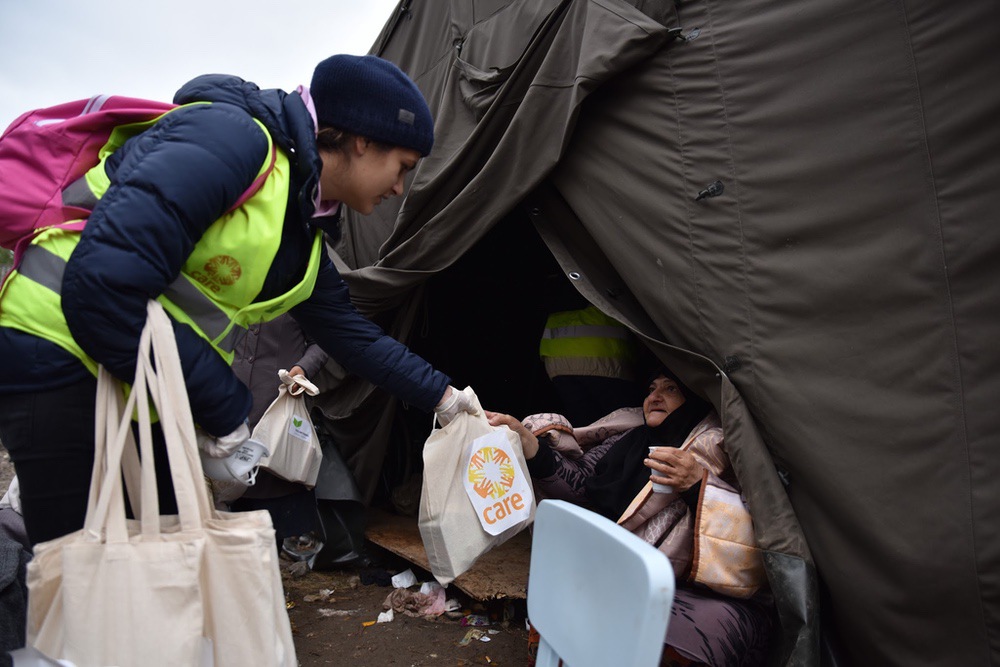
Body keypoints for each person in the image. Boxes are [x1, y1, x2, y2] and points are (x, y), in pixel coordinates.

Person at [0, 54, 474, 548]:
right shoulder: (231, 139)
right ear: (363, 141)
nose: (399, 187)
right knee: (76, 567)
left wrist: (446, 399)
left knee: (157, 561)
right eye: (402, 167)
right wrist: (223, 407)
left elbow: (352, 336)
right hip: (54, 350)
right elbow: (104, 287)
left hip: (132, 374)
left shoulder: (301, 234)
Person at [487, 368, 774, 667]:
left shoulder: (723, 450)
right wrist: (528, 442)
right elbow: (580, 485)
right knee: (553, 572)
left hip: (691, 585)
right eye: (651, 388)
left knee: (711, 626)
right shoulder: (629, 438)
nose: (655, 396)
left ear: (696, 399)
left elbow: (761, 533)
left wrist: (697, 485)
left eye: (671, 389)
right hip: (613, 566)